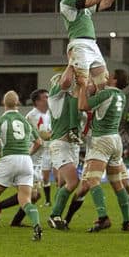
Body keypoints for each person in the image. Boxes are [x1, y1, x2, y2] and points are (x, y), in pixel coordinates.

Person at [58, 0, 128, 132]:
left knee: (102, 84)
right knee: (82, 83)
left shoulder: (81, 8)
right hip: (80, 44)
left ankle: (92, 121)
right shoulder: (68, 1)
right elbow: (89, 0)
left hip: (92, 45)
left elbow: (106, 2)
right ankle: (74, 127)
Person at [66, 69, 129, 232]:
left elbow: (83, 106)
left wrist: (82, 86)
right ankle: (128, 221)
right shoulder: (122, 96)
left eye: (109, 76)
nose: (107, 77)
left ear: (115, 80)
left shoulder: (106, 94)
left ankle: (103, 217)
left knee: (92, 180)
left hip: (102, 140)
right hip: (116, 140)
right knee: (117, 183)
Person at [0, 90, 43, 242]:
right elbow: (39, 142)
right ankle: (37, 226)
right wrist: (27, 153)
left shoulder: (0, 121)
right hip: (26, 161)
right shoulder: (26, 121)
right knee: (25, 199)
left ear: (3, 104)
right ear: (18, 104)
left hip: (9, 159)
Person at [45, 67, 83, 229]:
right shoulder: (55, 96)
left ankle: (57, 214)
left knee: (62, 184)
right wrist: (73, 64)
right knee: (74, 182)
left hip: (72, 146)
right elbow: (66, 81)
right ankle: (54, 215)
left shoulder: (72, 99)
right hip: (61, 144)